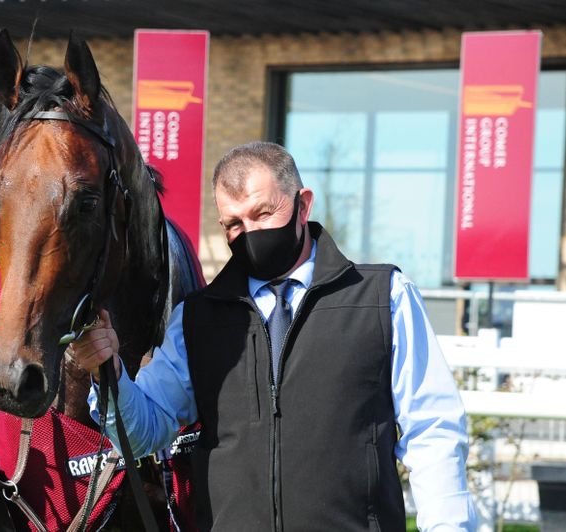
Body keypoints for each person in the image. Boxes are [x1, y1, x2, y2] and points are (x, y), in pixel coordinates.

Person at [70, 142, 476, 531]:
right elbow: (142, 432)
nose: (249, 232)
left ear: (303, 205)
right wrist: (109, 372)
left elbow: (434, 431)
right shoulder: (197, 318)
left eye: (263, 213)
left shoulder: (383, 297)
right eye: (233, 223)